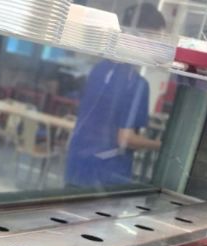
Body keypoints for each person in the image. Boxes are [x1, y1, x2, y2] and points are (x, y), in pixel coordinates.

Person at [64, 3, 165, 189]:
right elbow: (126, 139)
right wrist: (162, 145)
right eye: (155, 40)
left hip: (77, 164)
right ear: (138, 37)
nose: (157, 48)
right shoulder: (135, 83)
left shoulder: (99, 69)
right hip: (107, 175)